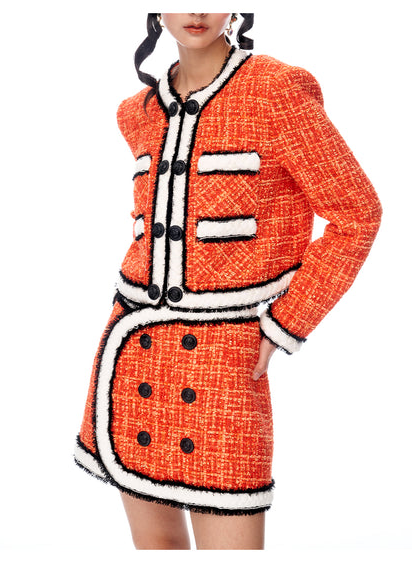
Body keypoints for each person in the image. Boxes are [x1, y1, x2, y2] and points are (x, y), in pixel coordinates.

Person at [74, 13, 382, 550]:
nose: (197, 10)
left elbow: (358, 213)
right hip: (134, 349)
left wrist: (286, 322)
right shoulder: (138, 112)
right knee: (157, 550)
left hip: (224, 354)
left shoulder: (276, 90)